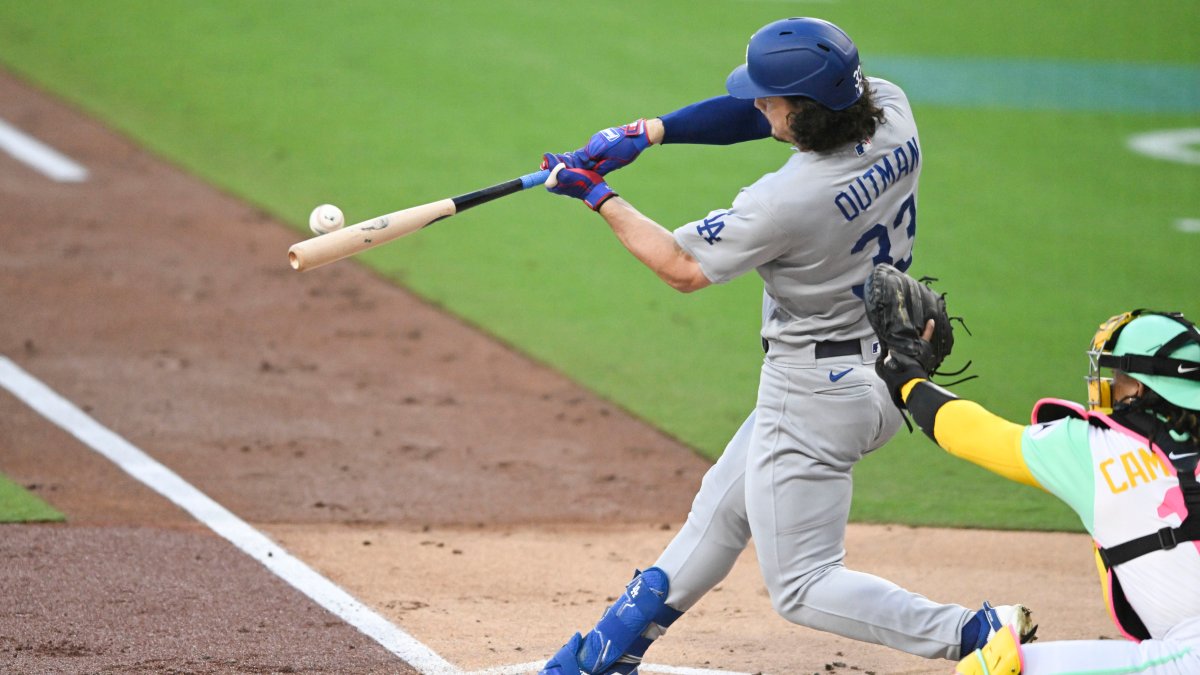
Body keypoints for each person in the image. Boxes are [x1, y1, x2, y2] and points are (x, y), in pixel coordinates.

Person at [535, 17, 1034, 674]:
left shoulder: (786, 201)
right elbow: (764, 117)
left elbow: (681, 266)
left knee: (802, 585)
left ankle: (975, 632)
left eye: (771, 98)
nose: (758, 105)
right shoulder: (891, 110)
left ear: (805, 111)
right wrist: (649, 132)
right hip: (888, 366)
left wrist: (597, 194)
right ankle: (606, 652)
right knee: (721, 507)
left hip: (812, 393)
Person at [874, 309, 1200, 674]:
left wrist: (909, 379)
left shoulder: (1095, 448)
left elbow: (974, 434)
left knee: (990, 669)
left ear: (1139, 388)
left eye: (1117, 377)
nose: (1107, 385)